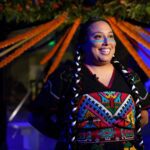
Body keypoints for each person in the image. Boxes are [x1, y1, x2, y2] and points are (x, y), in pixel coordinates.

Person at [29, 18, 150, 150]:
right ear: (82, 43)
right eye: (98, 36)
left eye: (110, 36)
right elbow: (36, 117)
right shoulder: (66, 76)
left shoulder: (130, 77)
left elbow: (144, 115)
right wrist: (66, 136)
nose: (106, 42)